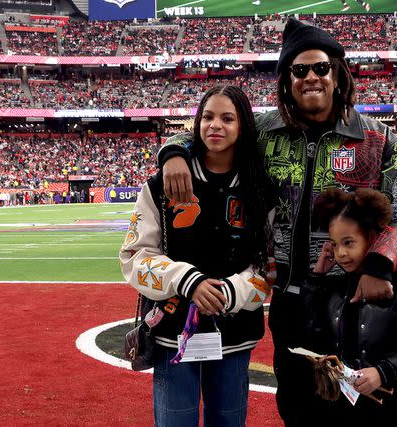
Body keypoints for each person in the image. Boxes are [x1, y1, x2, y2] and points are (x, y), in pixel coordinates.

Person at [157, 18, 397, 426]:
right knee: (300, 409)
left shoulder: (377, 138)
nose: (311, 77)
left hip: (356, 301)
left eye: (321, 67)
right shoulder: (263, 131)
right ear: (287, 80)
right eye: (299, 70)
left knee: (367, 411)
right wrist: (173, 151)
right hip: (291, 302)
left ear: (338, 73)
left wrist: (380, 264)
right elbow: (210, 131)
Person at [120, 85, 273, 427]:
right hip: (171, 333)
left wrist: (231, 293)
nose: (215, 125)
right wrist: (187, 281)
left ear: (243, 125)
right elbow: (134, 256)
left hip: (234, 334)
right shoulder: (160, 184)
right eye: (207, 116)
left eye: (227, 118)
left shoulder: (261, 186)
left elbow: (269, 262)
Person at [311, 188, 397, 424]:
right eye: (335, 244)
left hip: (394, 404)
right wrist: (318, 279)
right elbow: (316, 331)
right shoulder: (335, 284)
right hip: (346, 404)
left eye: (349, 243)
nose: (340, 253)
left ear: (372, 237)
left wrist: (383, 372)